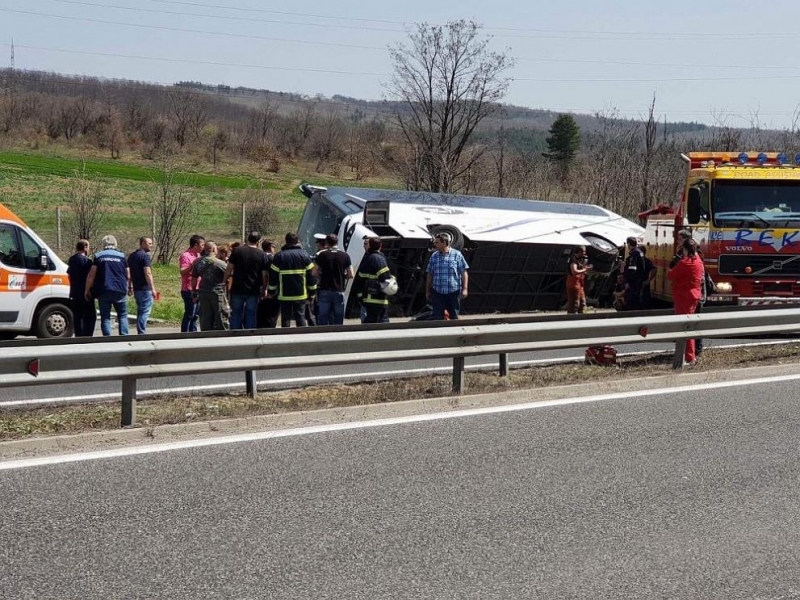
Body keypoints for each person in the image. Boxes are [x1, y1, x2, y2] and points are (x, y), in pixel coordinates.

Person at [667, 237, 704, 365]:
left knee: (684, 327)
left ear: (686, 249)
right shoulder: (698, 260)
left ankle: (688, 356)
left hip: (684, 296)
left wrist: (672, 265)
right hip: (694, 295)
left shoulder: (685, 263)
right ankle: (689, 355)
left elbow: (670, 275)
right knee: (689, 326)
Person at [268, 232, 317, 327]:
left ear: (286, 241)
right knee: (300, 318)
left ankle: (286, 338)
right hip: (301, 294)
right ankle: (301, 338)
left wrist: (271, 291)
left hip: (284, 295)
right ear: (297, 241)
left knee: (285, 318)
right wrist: (312, 292)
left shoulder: (279, 256)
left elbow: (273, 276)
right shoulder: (305, 255)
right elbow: (311, 276)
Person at [85, 234, 129, 336]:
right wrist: (130, 286)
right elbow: (128, 274)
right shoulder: (122, 256)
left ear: (104, 244)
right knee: (122, 315)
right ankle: (125, 338)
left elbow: (92, 275)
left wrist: (87, 290)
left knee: (105, 317)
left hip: (103, 289)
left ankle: (108, 340)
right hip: (120, 289)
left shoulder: (98, 256)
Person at [224, 231, 269, 329]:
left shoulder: (237, 251)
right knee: (251, 313)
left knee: (235, 312)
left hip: (237, 288)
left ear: (248, 239)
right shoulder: (262, 254)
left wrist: (224, 281)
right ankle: (250, 335)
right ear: (259, 241)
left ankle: (235, 334)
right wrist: (264, 288)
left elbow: (229, 268)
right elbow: (264, 275)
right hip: (253, 289)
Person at [425, 232, 469, 320]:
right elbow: (430, 274)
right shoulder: (434, 256)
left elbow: (464, 272)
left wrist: (464, 289)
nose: (435, 244)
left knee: (454, 316)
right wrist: (427, 291)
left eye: (437, 242)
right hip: (437, 292)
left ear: (444, 243)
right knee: (437, 317)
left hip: (453, 292)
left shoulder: (457, 255)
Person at [313, 233, 354, 325]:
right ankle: (338, 335)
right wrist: (342, 276)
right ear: (337, 242)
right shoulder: (345, 256)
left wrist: (321, 275)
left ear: (327, 242)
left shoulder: (322, 255)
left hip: (325, 289)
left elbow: (314, 272)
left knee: (323, 316)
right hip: (339, 290)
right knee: (338, 317)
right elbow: (351, 274)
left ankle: (323, 335)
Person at [352, 236, 393, 323]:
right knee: (381, 325)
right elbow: (387, 279)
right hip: (378, 300)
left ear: (370, 245)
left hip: (370, 300)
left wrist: (360, 297)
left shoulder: (371, 258)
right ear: (380, 245)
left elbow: (359, 280)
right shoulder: (379, 258)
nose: (364, 246)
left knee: (371, 324)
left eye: (366, 244)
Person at [192, 241, 230, 330]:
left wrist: (194, 291)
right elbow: (230, 275)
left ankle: (206, 335)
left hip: (203, 292)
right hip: (217, 293)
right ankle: (222, 335)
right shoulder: (220, 263)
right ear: (213, 249)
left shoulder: (197, 262)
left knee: (205, 316)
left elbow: (194, 279)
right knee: (220, 314)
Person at [127, 236, 158, 335]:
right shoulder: (145, 256)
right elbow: (147, 273)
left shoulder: (132, 256)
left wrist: (130, 286)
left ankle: (140, 331)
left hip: (137, 288)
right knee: (145, 311)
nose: (152, 246)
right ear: (143, 243)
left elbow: (129, 273)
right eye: (150, 243)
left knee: (140, 310)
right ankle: (141, 332)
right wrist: (153, 289)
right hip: (145, 288)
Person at [67, 239, 96, 337]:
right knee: (90, 316)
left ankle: (78, 335)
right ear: (85, 248)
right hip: (85, 292)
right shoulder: (87, 261)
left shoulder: (72, 260)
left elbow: (69, 274)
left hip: (74, 291)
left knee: (77, 316)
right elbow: (91, 276)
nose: (89, 249)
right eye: (88, 247)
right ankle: (87, 336)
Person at [179, 234, 205, 332]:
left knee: (195, 315)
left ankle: (193, 333)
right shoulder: (186, 256)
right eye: (202, 244)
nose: (203, 247)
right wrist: (192, 266)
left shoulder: (198, 255)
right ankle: (185, 334)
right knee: (190, 313)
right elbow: (182, 271)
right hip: (188, 289)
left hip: (198, 288)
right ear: (195, 245)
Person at [256, 239, 280, 328]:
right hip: (270, 288)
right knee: (272, 312)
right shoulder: (273, 258)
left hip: (258, 286)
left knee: (260, 311)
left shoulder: (259, 256)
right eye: (274, 247)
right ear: (270, 247)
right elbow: (270, 274)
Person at [565, 245, 592, 314]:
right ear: (579, 251)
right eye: (583, 251)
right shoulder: (573, 260)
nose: (585, 253)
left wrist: (585, 269)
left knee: (582, 302)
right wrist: (584, 269)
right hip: (573, 284)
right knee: (575, 303)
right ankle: (572, 316)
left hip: (580, 285)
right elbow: (574, 271)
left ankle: (581, 314)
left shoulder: (580, 259)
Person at [622, 236, 645, 311]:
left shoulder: (634, 253)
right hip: (639, 281)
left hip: (633, 283)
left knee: (631, 304)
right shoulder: (640, 252)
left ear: (628, 244)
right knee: (637, 302)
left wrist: (628, 282)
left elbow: (632, 269)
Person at [640, 245, 656, 310]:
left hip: (643, 286)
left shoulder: (646, 261)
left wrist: (647, 281)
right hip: (636, 286)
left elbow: (654, 269)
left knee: (644, 305)